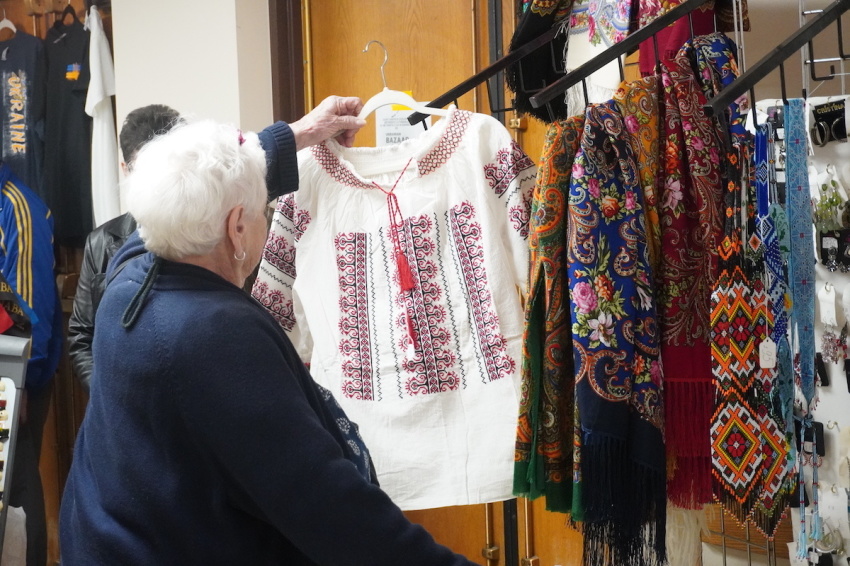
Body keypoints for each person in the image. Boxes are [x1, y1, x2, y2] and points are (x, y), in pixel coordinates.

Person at [58, 97, 480, 566]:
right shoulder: (213, 337)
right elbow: (331, 509)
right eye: (263, 210)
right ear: (238, 228)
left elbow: (193, 180)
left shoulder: (131, 268)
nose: (267, 218)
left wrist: (297, 134)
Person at [68, 104, 184, 391]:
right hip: (118, 400)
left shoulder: (206, 234)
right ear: (126, 170)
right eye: (145, 170)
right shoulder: (101, 242)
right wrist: (108, 396)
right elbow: (82, 336)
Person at [1, 161, 64, 566]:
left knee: (15, 492)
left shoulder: (17, 207)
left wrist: (17, 382)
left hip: (11, 375)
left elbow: (30, 306)